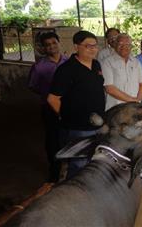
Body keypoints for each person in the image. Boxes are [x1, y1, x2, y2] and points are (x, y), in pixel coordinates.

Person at [47, 30, 105, 180]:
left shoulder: (96, 65)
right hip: (78, 128)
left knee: (94, 161)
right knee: (79, 164)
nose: (93, 49)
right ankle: (73, 194)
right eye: (88, 46)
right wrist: (67, 117)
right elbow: (53, 99)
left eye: (95, 45)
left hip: (97, 124)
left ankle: (88, 190)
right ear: (76, 47)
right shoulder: (66, 70)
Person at [28, 32, 67, 182]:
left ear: (59, 43)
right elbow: (33, 86)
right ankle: (54, 172)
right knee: (52, 139)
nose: (51, 46)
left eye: (54, 43)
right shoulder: (39, 67)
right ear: (43, 48)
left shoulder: (68, 61)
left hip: (67, 106)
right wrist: (47, 94)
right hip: (49, 107)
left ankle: (69, 169)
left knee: (67, 135)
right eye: (47, 45)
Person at [102, 33, 142, 110]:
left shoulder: (136, 62)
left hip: (134, 107)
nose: (124, 47)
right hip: (116, 108)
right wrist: (133, 100)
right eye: (120, 44)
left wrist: (138, 100)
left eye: (127, 44)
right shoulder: (107, 62)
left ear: (131, 47)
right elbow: (109, 88)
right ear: (115, 45)